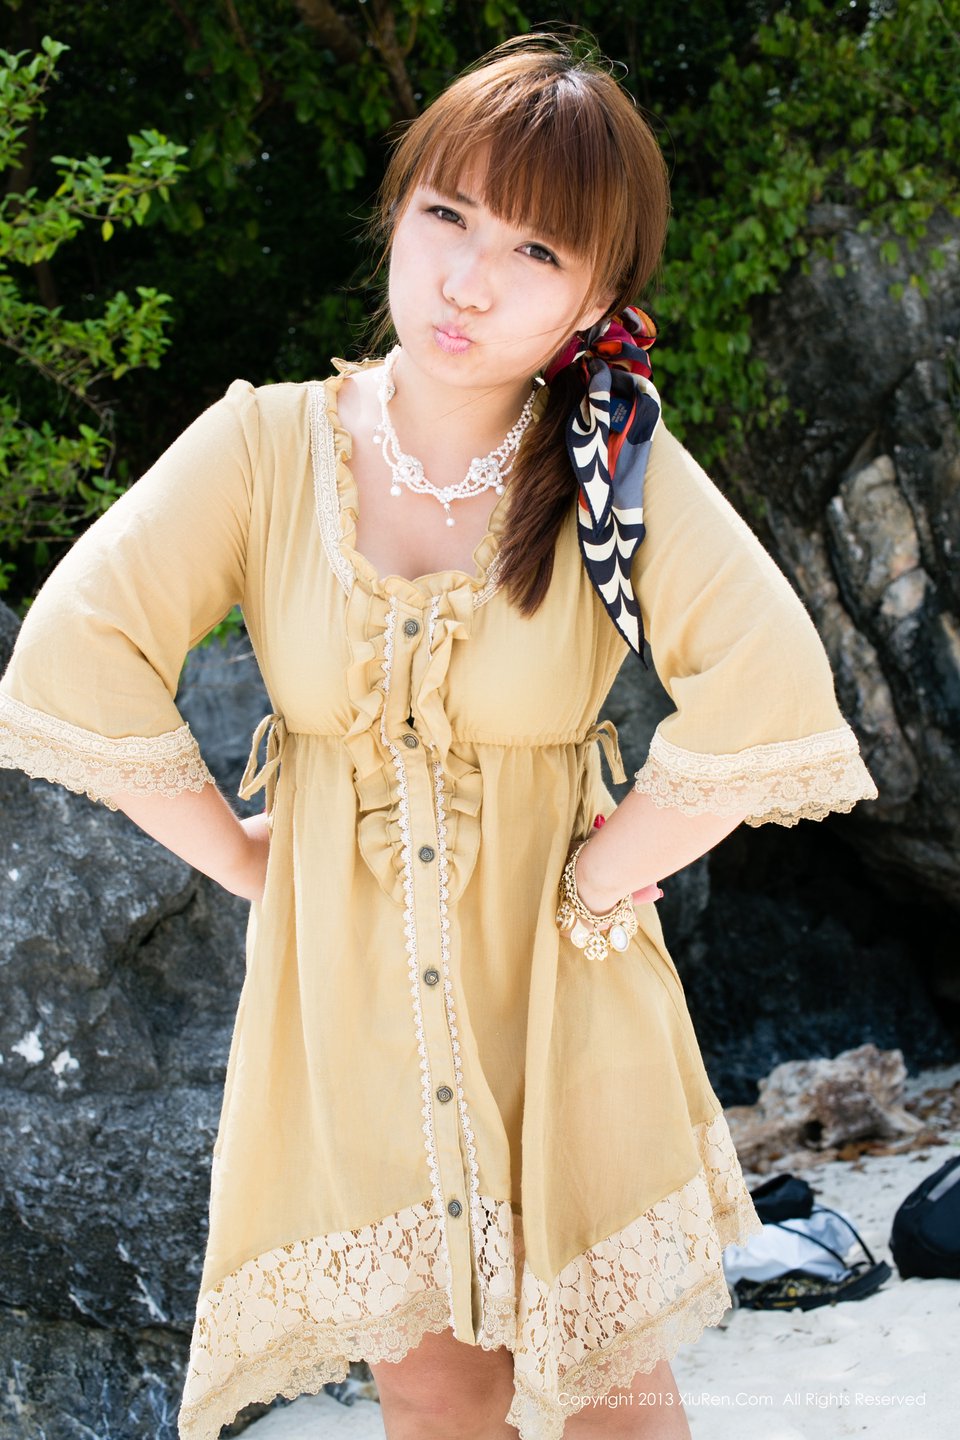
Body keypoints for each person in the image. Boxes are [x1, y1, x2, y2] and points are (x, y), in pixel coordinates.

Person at [0, 32, 877, 1440]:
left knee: (610, 1406)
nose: (469, 278)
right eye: (446, 215)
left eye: (537, 251)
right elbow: (74, 651)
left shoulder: (609, 463)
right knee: (435, 1398)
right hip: (346, 1023)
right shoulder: (264, 449)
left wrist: (607, 872)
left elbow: (771, 682)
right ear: (396, 214)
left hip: (565, 1013)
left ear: (599, 296)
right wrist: (241, 859)